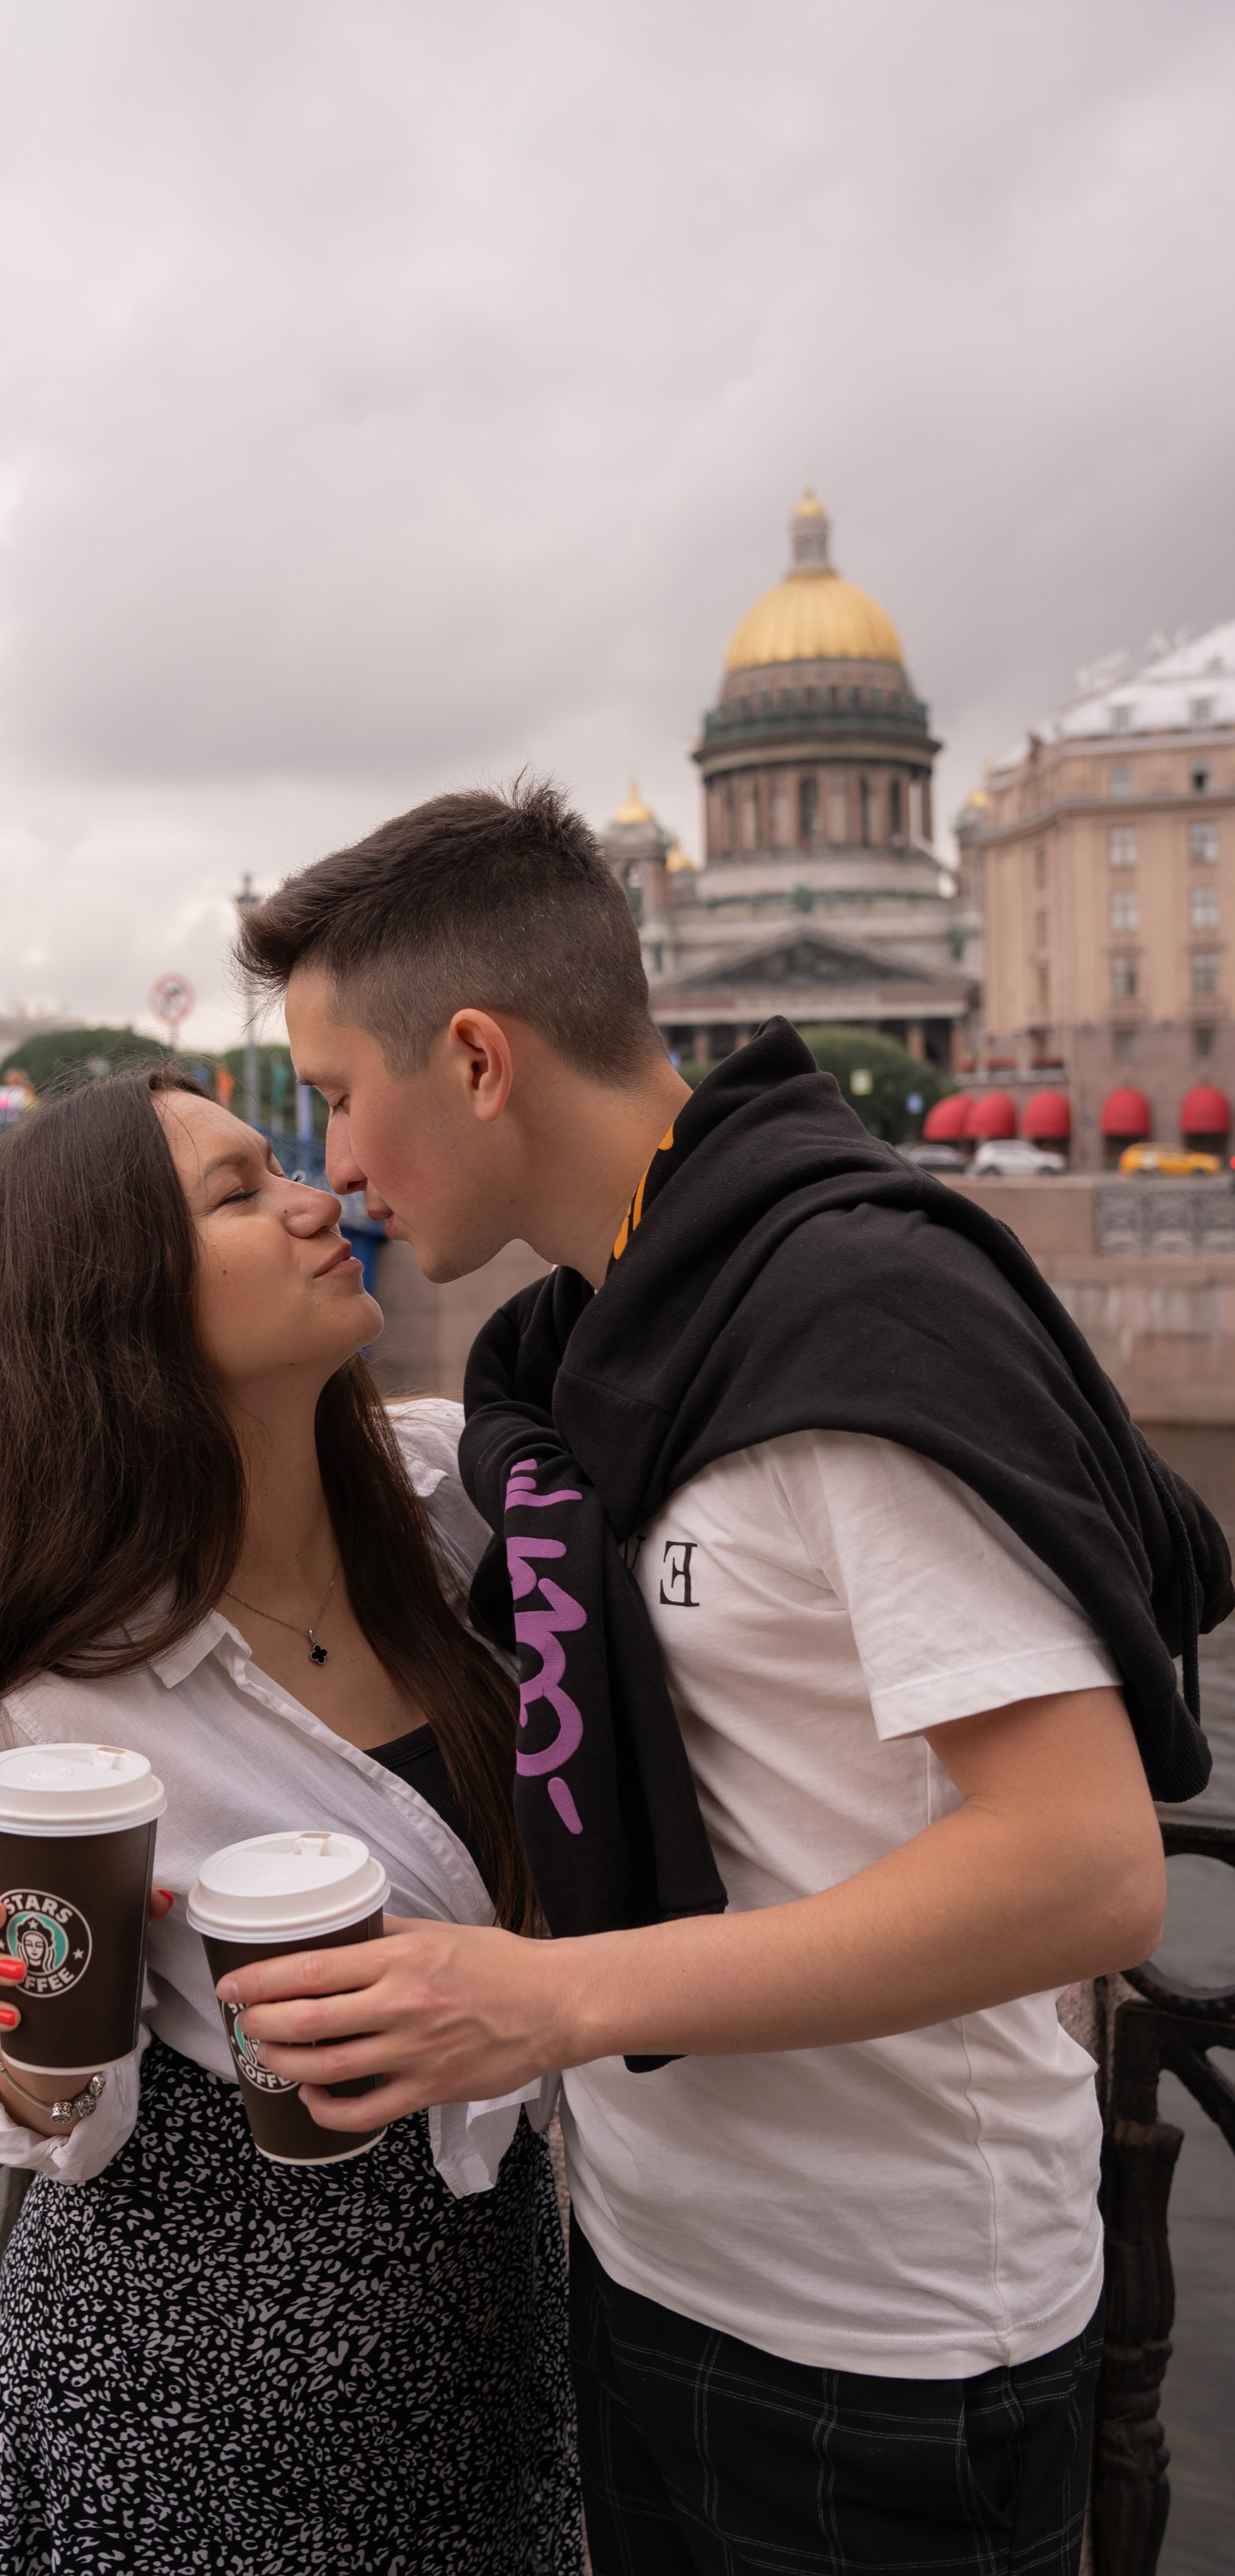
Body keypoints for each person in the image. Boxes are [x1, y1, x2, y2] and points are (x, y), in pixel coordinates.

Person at [226, 779, 1225, 2576]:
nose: (333, 1170)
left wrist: (547, 2001)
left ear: (472, 1059)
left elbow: (1086, 1871)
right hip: (652, 2265)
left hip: (889, 2340)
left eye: (331, 1100)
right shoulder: (581, 1351)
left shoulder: (846, 1320)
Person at [0, 1066, 583, 2576]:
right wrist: (24, 2027)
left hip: (485, 2293)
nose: (314, 1197)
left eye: (282, 1165)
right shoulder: (65, 1705)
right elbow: (58, 2132)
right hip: (204, 2368)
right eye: (236, 1192)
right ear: (110, 1307)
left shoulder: (448, 1489)